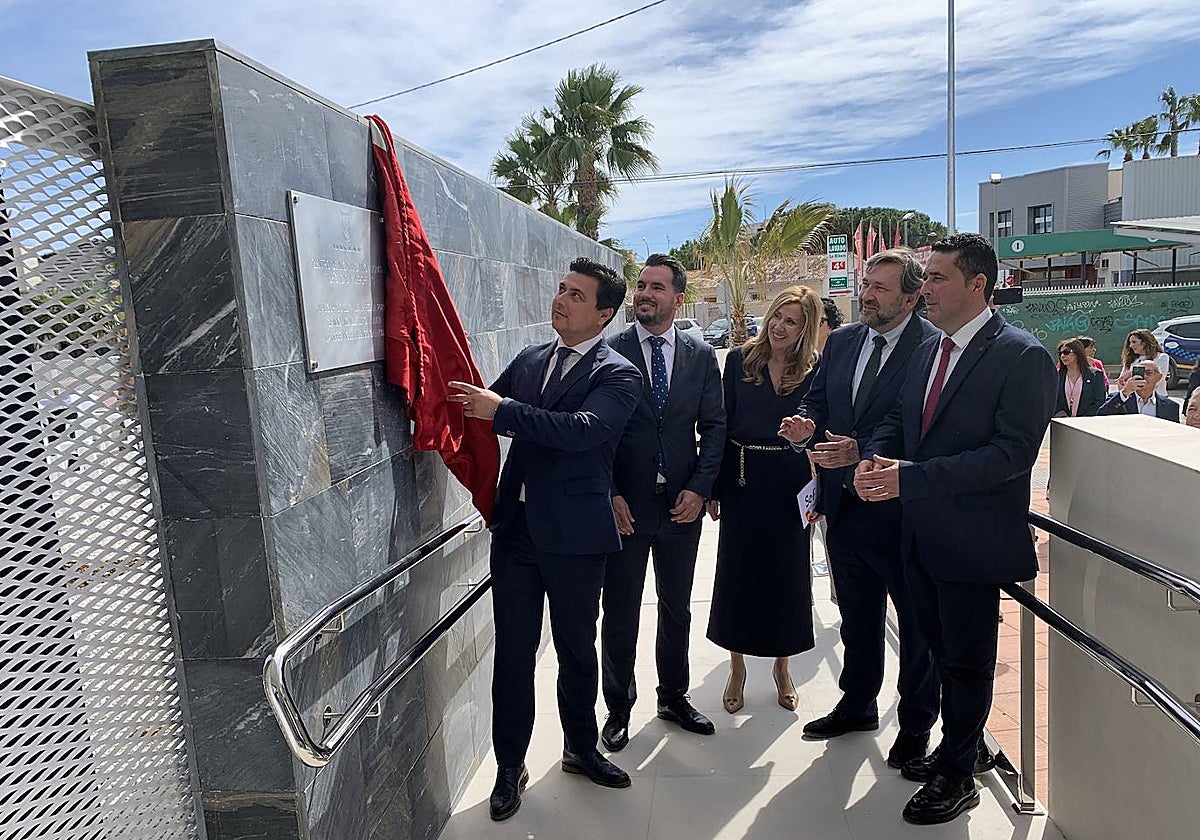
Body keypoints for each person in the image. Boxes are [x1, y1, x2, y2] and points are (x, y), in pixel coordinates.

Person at [855, 233, 1056, 826]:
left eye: (939, 278)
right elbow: (899, 419)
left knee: (968, 662)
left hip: (972, 544)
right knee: (942, 655)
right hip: (919, 536)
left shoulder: (1022, 356)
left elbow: (1011, 456)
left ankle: (957, 775)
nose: (928, 289)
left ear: (978, 285)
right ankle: (960, 747)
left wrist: (910, 478)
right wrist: (875, 456)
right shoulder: (927, 349)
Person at [448, 257, 642, 821]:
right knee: (512, 653)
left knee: (578, 651)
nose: (560, 300)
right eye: (560, 289)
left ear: (604, 313)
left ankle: (581, 748)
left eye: (576, 295)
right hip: (518, 534)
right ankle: (510, 766)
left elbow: (583, 433)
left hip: (577, 537)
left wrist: (503, 409)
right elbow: (483, 410)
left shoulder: (617, 373)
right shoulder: (531, 360)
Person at [779, 249, 939, 768]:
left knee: (916, 626)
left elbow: (915, 424)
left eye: (881, 288)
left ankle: (916, 726)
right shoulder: (845, 339)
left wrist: (862, 451)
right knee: (857, 615)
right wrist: (805, 423)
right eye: (866, 284)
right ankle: (858, 703)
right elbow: (818, 398)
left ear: (912, 297)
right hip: (843, 506)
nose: (866, 295)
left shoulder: (932, 348)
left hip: (901, 512)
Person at [600, 254, 725, 752]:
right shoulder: (610, 352)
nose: (645, 295)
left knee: (676, 609)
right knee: (621, 610)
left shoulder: (698, 355)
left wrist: (701, 487)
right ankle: (618, 708)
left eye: (656, 288)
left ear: (678, 298)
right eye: (641, 286)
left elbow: (715, 427)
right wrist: (609, 493)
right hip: (626, 509)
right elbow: (598, 432)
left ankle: (673, 696)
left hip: (681, 506)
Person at [706, 285, 821, 714]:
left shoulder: (813, 369)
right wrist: (714, 488)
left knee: (787, 578)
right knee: (738, 575)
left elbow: (819, 426)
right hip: (740, 477)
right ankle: (736, 666)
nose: (779, 326)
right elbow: (719, 425)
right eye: (777, 316)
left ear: (805, 328)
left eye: (791, 321)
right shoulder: (739, 361)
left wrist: (804, 438)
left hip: (789, 481)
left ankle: (782, 666)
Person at [1097, 359, 1180, 421]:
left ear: (1159, 377)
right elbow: (1101, 416)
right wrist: (1125, 392)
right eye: (1140, 373)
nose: (1144, 377)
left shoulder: (1171, 406)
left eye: (1149, 373)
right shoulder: (1119, 399)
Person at [1054, 338, 1107, 417]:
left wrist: (1084, 417)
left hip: (1086, 423)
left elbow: (1099, 401)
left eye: (1066, 352)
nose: (1062, 356)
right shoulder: (1056, 376)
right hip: (1062, 422)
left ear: (1077, 353)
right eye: (1060, 353)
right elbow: (1052, 399)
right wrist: (1060, 413)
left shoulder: (1095, 375)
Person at [1117, 329, 1171, 396]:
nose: (1131, 346)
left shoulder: (1161, 357)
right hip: (1134, 400)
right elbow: (1122, 381)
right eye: (1130, 343)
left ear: (1145, 343)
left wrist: (1130, 374)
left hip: (1157, 398)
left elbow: (1157, 379)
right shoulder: (1131, 360)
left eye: (1134, 342)